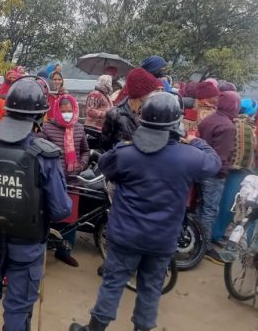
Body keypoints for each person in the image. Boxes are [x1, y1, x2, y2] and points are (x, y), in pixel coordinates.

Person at [70, 92, 221, 331]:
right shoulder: (190, 157)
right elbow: (215, 162)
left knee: (113, 283)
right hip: (162, 240)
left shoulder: (127, 154)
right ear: (176, 125)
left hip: (125, 235)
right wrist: (195, 141)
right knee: (150, 288)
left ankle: (94, 328)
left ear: (143, 121)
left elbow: (105, 165)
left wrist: (127, 146)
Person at [0, 78, 71, 331]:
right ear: (39, 117)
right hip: (28, 249)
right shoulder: (45, 155)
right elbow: (60, 210)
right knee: (18, 307)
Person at [37, 94, 89, 267]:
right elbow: (39, 149)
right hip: (52, 181)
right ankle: (41, 249)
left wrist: (81, 165)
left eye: (69, 111)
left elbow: (85, 151)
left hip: (73, 180)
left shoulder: (79, 128)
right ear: (56, 110)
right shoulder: (47, 127)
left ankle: (64, 251)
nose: (67, 114)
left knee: (70, 218)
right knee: (48, 215)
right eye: (63, 111)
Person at [197, 91, 241, 262]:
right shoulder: (228, 126)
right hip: (214, 173)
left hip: (201, 168)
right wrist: (223, 173)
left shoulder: (209, 119)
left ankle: (197, 243)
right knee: (210, 210)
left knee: (201, 208)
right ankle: (205, 247)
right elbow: (222, 155)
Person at [212, 98, 257, 246]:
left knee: (221, 202)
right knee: (230, 205)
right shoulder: (245, 126)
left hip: (224, 169)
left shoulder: (230, 121)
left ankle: (215, 233)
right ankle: (216, 235)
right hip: (237, 172)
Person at [101, 68, 164, 151]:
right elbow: (105, 145)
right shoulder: (115, 114)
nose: (153, 96)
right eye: (150, 94)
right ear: (139, 94)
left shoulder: (151, 112)